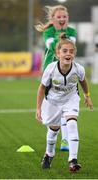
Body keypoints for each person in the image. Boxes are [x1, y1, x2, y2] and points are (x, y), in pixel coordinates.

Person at [36, 33, 93, 172]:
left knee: (72, 124)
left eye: (71, 51)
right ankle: (49, 154)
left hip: (71, 99)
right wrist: (38, 108)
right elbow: (42, 88)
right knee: (54, 129)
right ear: (57, 54)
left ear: (74, 54)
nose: (68, 54)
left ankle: (73, 160)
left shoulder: (78, 69)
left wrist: (87, 95)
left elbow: (83, 81)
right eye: (65, 51)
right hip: (52, 102)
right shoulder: (50, 68)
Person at [35, 5, 77, 151]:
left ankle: (65, 140)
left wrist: (63, 40)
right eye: (58, 17)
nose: (62, 19)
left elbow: (70, 47)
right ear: (53, 19)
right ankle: (53, 132)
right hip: (50, 70)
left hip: (67, 71)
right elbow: (55, 48)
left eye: (64, 16)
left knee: (67, 104)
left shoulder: (72, 31)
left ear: (68, 18)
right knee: (53, 107)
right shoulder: (48, 32)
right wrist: (59, 36)